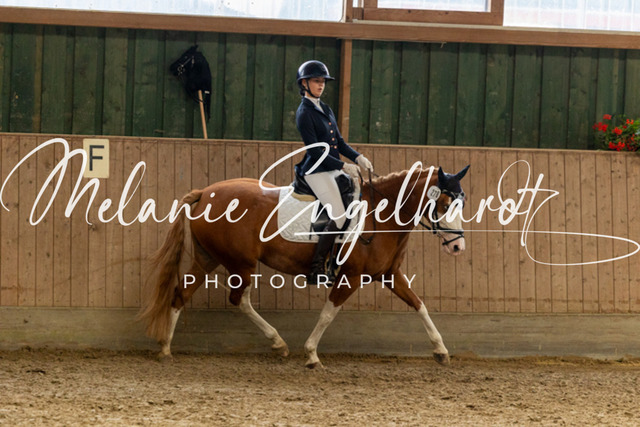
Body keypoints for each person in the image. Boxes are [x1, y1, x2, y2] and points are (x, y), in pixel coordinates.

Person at [295, 60, 373, 285]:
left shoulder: (326, 108)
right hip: (316, 171)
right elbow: (315, 151)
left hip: (331, 168)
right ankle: (317, 267)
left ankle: (339, 259)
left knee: (356, 197)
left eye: (323, 82)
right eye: (316, 81)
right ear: (304, 83)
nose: (321, 85)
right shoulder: (304, 113)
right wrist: (342, 166)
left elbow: (339, 142)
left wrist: (357, 157)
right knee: (339, 215)